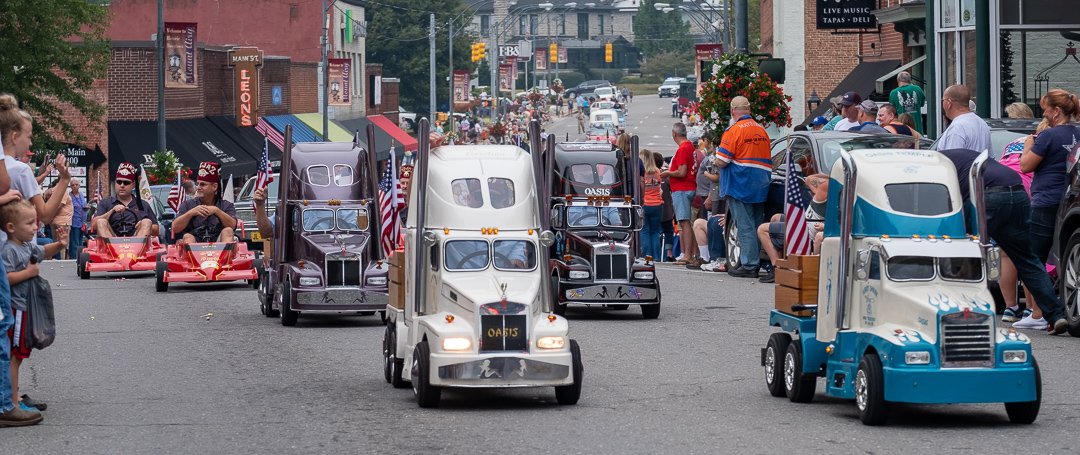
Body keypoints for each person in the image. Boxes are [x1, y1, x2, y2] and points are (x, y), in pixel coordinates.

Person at [939, 148, 1069, 335]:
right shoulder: (959, 154)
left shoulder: (934, 163)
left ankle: (959, 312)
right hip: (1016, 190)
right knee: (1027, 259)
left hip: (986, 195)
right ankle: (1056, 316)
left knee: (961, 252)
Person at [1014, 88, 1080, 331]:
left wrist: (1029, 144)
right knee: (1062, 254)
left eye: (1045, 109)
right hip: (1070, 197)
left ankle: (1040, 312)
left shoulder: (1049, 136)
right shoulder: (1078, 132)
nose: (1043, 113)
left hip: (1045, 200)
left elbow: (1025, 165)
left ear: (1056, 111)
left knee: (1033, 258)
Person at [2, 199, 65, 416]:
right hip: (15, 308)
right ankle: (11, 402)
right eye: (29, 223)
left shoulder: (26, 246)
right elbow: (6, 278)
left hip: (24, 307)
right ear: (11, 228)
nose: (36, 227)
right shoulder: (9, 250)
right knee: (14, 355)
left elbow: (41, 251)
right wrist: (28, 273)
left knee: (18, 355)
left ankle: (13, 395)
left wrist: (59, 245)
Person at [0, 93, 40, 427]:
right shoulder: (16, 168)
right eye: (27, 135)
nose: (30, 142)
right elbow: (43, 211)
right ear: (13, 135)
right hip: (10, 265)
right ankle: (8, 401)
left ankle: (10, 395)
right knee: (8, 339)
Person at [714, 96, 772, 278]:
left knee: (744, 225)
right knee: (756, 224)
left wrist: (715, 160)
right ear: (749, 109)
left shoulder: (734, 130)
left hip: (740, 184)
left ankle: (749, 264)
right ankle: (755, 260)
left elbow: (722, 161)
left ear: (733, 111)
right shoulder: (761, 130)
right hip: (761, 184)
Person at [757, 173, 829, 283]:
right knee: (776, 218)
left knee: (762, 230)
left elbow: (809, 178)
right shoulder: (842, 194)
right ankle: (784, 262)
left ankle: (777, 269)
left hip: (806, 232)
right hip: (808, 223)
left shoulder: (825, 187)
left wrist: (830, 176)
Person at [172, 161, 237, 244]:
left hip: (220, 246)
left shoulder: (226, 205)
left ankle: (224, 257)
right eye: (197, 184)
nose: (198, 187)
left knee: (228, 231)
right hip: (194, 247)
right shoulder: (187, 204)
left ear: (214, 187)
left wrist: (217, 211)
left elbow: (232, 226)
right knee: (187, 237)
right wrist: (192, 213)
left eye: (202, 184)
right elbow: (175, 228)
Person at [660, 122, 698, 265]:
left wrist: (667, 173)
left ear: (674, 134)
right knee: (687, 222)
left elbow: (681, 172)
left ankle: (687, 255)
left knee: (684, 222)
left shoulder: (683, 148)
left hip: (682, 188)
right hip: (688, 187)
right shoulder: (690, 146)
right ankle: (692, 254)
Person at [90, 163, 157, 238]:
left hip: (137, 241)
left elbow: (156, 230)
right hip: (111, 240)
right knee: (101, 221)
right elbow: (94, 225)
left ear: (133, 185)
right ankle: (112, 248)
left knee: (147, 222)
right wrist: (112, 211)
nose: (122, 185)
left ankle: (136, 247)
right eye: (119, 182)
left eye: (126, 183)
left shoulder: (143, 204)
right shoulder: (105, 203)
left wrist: (143, 224)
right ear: (115, 183)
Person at [935, 84, 991, 153]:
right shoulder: (982, 123)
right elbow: (990, 157)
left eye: (943, 100)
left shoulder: (957, 128)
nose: (942, 104)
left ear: (948, 103)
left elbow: (952, 161)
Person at [640, 149, 663, 261]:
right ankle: (657, 257)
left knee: (644, 230)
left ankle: (647, 256)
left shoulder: (642, 173)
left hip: (645, 203)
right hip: (657, 204)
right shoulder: (657, 172)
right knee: (655, 231)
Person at [68, 180, 86, 260]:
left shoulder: (81, 195)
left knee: (81, 241)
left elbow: (83, 205)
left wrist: (86, 207)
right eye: (72, 185)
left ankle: (80, 257)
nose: (75, 186)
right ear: (70, 186)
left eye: (76, 184)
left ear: (79, 185)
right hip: (74, 221)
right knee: (75, 242)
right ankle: (73, 258)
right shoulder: (69, 196)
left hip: (82, 222)